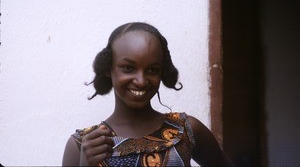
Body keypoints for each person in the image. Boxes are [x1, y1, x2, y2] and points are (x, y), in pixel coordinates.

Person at [62, 22, 234, 166]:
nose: (141, 80)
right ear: (108, 69)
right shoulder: (83, 145)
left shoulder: (187, 131)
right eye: (128, 68)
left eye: (152, 70)